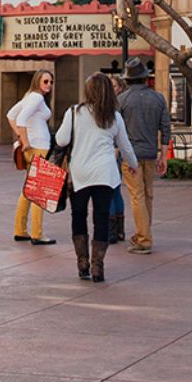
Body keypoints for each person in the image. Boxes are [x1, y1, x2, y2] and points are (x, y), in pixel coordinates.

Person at [53, 72, 140, 282]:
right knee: (101, 219)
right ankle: (97, 267)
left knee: (79, 216)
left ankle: (82, 263)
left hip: (80, 173)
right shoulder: (114, 116)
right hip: (106, 173)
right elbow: (125, 146)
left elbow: (61, 139)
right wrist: (134, 164)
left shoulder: (74, 112)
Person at [116, 58, 170, 254]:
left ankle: (144, 238)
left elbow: (116, 130)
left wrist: (116, 152)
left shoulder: (122, 100)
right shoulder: (158, 98)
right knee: (148, 195)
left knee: (136, 196)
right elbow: (165, 127)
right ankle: (143, 232)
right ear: (145, 78)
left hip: (130, 154)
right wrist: (163, 155)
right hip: (150, 152)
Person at [7, 70, 58, 246]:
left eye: (51, 82)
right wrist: (24, 140)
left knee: (29, 190)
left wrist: (22, 139)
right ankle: (37, 233)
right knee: (39, 192)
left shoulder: (29, 96)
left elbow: (10, 115)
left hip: (34, 147)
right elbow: (19, 119)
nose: (49, 85)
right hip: (39, 148)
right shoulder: (36, 98)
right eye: (45, 81)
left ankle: (20, 230)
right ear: (37, 81)